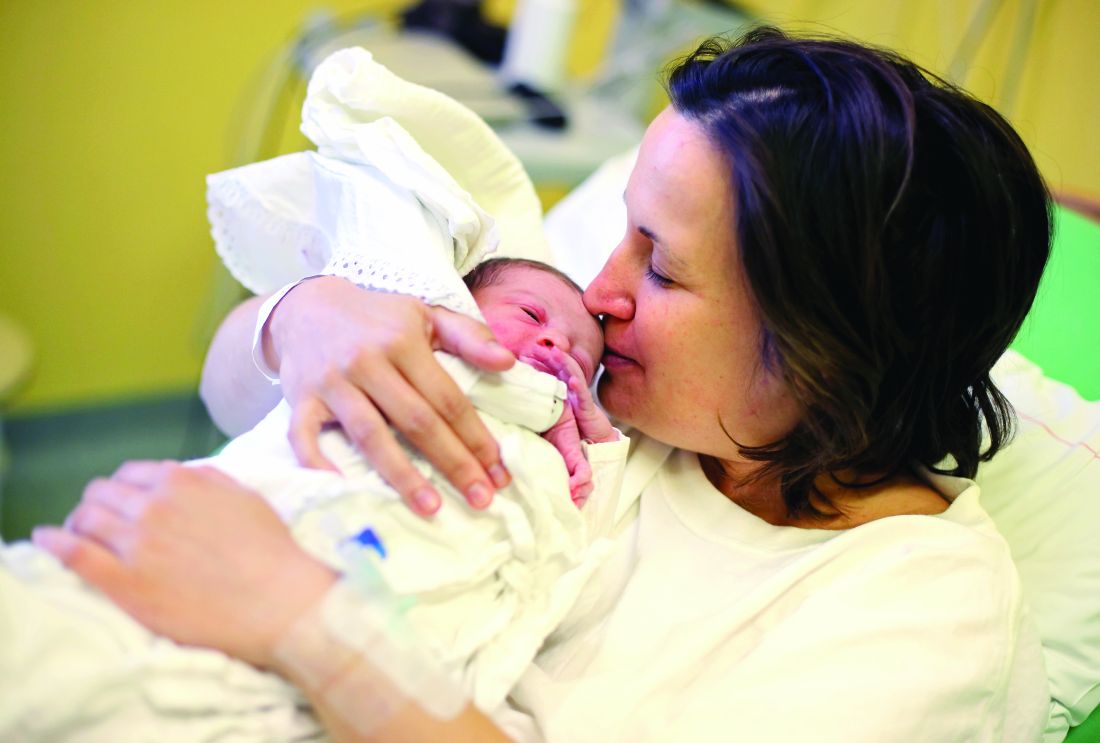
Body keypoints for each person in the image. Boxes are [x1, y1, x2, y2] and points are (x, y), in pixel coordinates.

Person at [34, 27, 1055, 742]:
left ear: (821, 346)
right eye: (621, 230)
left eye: (660, 266)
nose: (598, 289)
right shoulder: (600, 383)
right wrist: (300, 320)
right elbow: (232, 396)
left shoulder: (918, 607)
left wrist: (298, 616)